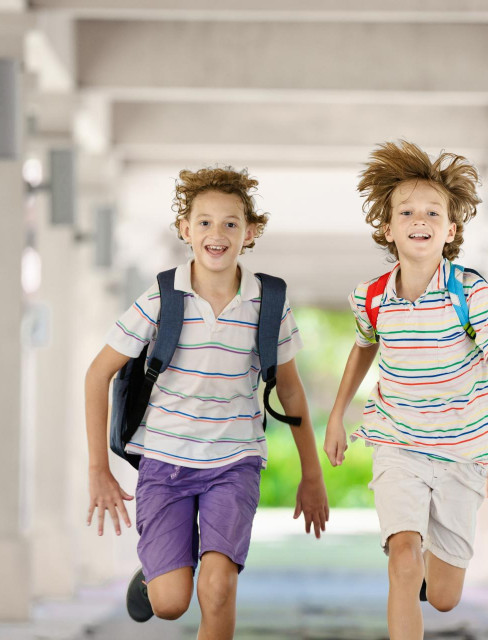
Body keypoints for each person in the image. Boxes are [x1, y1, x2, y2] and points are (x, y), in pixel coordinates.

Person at [85, 166, 329, 640]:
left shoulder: (269, 303)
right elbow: (98, 373)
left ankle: (188, 561)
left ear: (250, 232)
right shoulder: (161, 297)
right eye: (204, 222)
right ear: (184, 230)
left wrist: (312, 473)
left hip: (235, 462)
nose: (216, 234)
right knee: (172, 603)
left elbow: (291, 389)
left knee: (217, 589)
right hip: (164, 463)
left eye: (230, 223)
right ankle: (158, 572)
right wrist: (99, 469)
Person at [324, 141, 488, 640]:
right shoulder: (370, 296)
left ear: (450, 230)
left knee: (443, 596)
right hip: (398, 443)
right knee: (404, 560)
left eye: (433, 212)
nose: (421, 219)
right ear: (387, 229)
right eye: (407, 211)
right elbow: (364, 346)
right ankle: (410, 562)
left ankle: (429, 563)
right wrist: (336, 416)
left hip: (464, 450)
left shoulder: (470, 292)